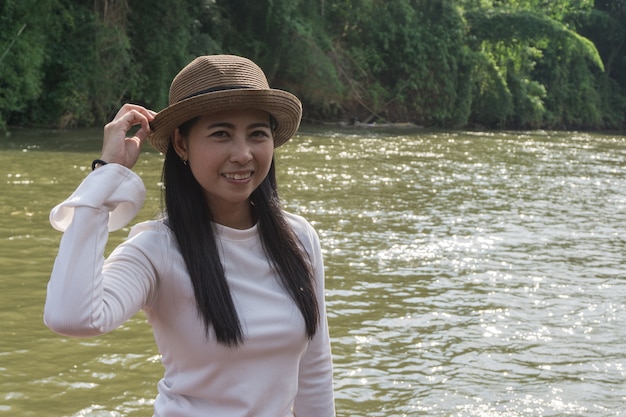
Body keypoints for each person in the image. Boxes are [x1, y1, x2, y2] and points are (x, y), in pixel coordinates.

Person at [43, 55, 336, 417]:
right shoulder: (157, 248)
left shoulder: (298, 238)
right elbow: (72, 317)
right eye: (221, 134)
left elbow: (315, 371)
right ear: (182, 144)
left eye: (257, 134)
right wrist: (105, 176)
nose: (243, 154)